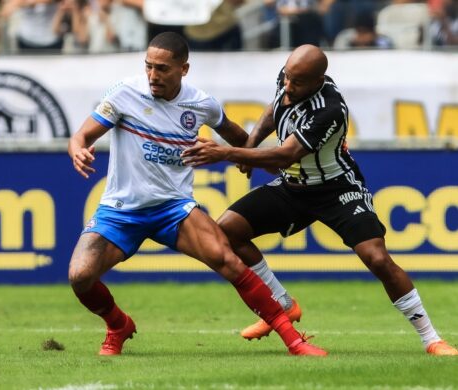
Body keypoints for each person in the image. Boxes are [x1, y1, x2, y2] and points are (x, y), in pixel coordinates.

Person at [181, 44, 458, 356]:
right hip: (293, 187)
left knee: (377, 258)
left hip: (336, 189)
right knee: (227, 231)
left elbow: (286, 155)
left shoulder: (329, 108)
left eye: (297, 82)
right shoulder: (289, 81)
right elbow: (273, 111)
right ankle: (282, 303)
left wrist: (226, 152)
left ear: (317, 80)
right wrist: (251, 143)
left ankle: (431, 338)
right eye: (286, 77)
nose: (288, 85)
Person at [67, 32, 327, 357]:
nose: (152, 76)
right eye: (148, 67)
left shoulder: (201, 103)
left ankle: (294, 341)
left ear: (184, 69)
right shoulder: (124, 94)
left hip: (174, 208)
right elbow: (81, 135)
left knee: (229, 261)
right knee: (80, 276)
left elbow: (238, 138)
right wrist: (78, 150)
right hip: (121, 210)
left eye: (162, 69)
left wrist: (261, 162)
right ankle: (118, 325)